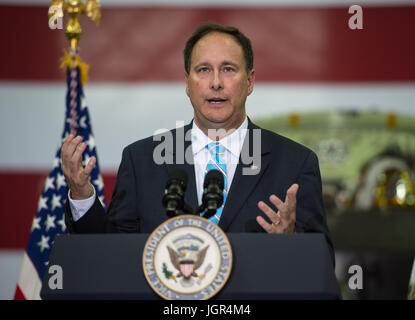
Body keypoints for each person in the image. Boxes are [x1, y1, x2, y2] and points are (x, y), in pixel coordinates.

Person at [61, 22, 334, 264]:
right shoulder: (141, 160)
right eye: (203, 70)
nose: (216, 83)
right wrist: (82, 197)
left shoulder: (295, 163)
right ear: (188, 84)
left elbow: (323, 263)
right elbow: (111, 257)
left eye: (228, 69)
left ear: (250, 81)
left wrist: (293, 243)